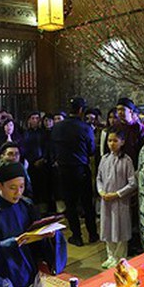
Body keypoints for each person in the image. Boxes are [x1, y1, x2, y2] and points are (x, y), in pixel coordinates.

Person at [51, 97, 98, 245]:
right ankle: (92, 234)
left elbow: (53, 148)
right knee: (87, 204)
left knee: (70, 205)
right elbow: (91, 150)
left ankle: (76, 236)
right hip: (81, 169)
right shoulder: (85, 128)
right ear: (81, 111)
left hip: (64, 170)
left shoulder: (57, 127)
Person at [97, 129, 137, 268]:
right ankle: (110, 255)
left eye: (115, 140)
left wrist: (117, 194)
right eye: (109, 140)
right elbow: (99, 178)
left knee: (120, 229)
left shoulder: (126, 160)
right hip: (106, 200)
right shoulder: (104, 159)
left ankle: (120, 257)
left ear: (122, 142)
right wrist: (101, 191)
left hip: (120, 201)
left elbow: (132, 183)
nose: (112, 143)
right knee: (107, 228)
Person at [114, 98, 144, 168]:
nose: (119, 112)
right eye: (118, 110)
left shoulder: (140, 128)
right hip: (118, 165)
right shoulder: (115, 128)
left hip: (134, 165)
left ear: (130, 111)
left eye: (122, 109)